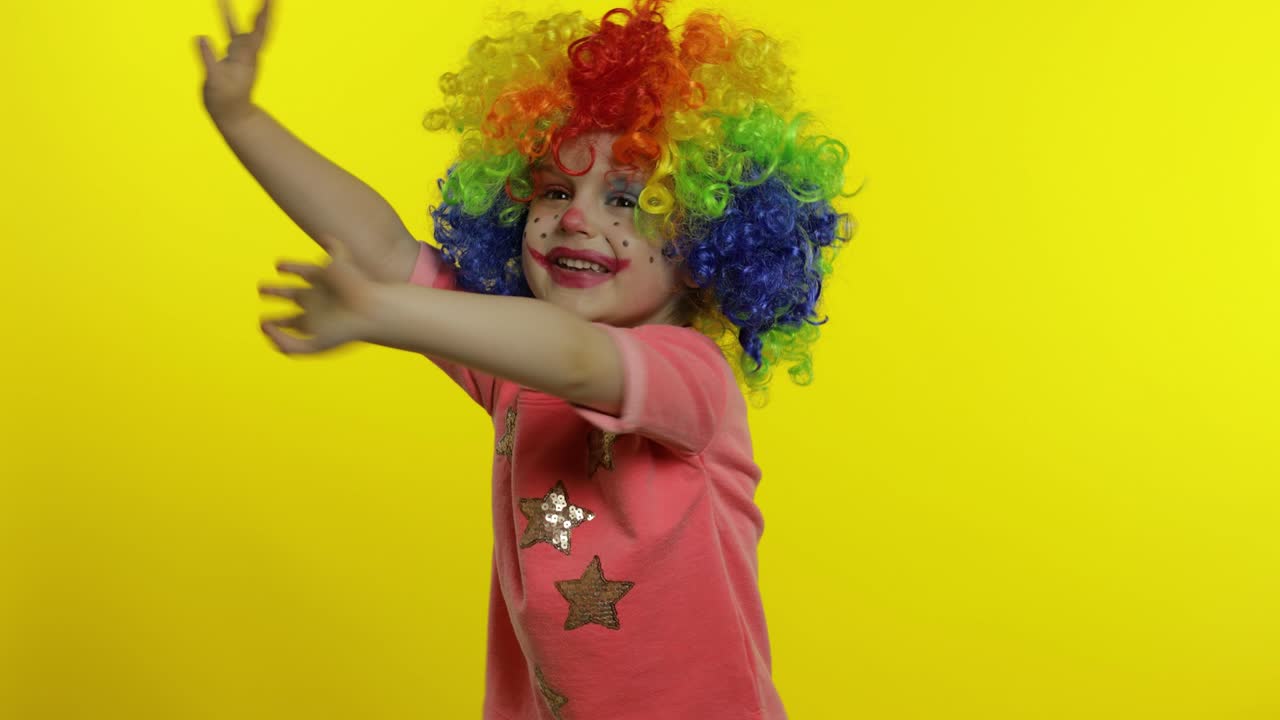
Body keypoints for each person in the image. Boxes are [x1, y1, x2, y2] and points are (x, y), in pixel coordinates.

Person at [197, 0, 858, 717]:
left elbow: (579, 360)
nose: (577, 217)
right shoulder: (513, 362)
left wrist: (382, 312)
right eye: (553, 190)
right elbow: (385, 252)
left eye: (629, 200)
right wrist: (242, 118)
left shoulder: (693, 377)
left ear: (709, 242)